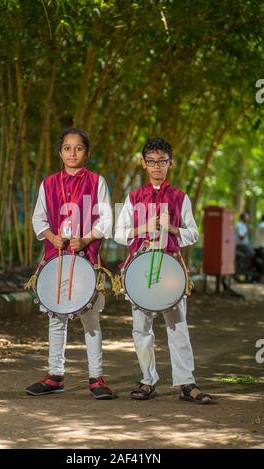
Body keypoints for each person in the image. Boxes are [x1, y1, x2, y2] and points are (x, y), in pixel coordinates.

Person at [114, 137, 212, 404]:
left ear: (171, 163)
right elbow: (119, 234)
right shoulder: (133, 197)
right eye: (151, 162)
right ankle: (147, 380)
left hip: (171, 268)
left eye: (162, 161)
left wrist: (171, 229)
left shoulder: (180, 197)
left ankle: (186, 382)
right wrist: (143, 228)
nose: (156, 167)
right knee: (141, 327)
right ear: (144, 164)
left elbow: (192, 234)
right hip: (139, 268)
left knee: (177, 325)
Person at [26, 127, 115, 399]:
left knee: (90, 320)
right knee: (56, 318)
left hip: (87, 260)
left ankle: (96, 378)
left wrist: (86, 239)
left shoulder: (96, 182)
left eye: (78, 148)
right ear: (60, 152)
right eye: (67, 148)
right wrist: (52, 236)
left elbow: (106, 219)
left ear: (86, 152)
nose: (72, 153)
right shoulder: (49, 183)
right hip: (56, 260)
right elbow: (39, 218)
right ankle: (55, 375)